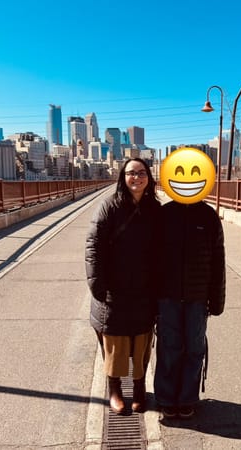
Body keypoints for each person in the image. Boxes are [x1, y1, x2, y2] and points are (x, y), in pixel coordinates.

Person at [85, 158, 161, 415]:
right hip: (113, 290)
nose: (136, 178)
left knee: (141, 342)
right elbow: (93, 247)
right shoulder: (109, 206)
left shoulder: (154, 208)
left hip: (144, 289)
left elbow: (164, 248)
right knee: (115, 344)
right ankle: (115, 390)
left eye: (141, 173)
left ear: (149, 178)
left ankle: (139, 389)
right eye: (131, 173)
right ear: (122, 177)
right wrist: (97, 285)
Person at [154, 199, 225, 419]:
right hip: (167, 296)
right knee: (169, 346)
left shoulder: (208, 215)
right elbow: (152, 258)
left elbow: (218, 260)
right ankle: (166, 398)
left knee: (195, 348)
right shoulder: (164, 214)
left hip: (198, 297)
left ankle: (187, 398)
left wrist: (217, 300)